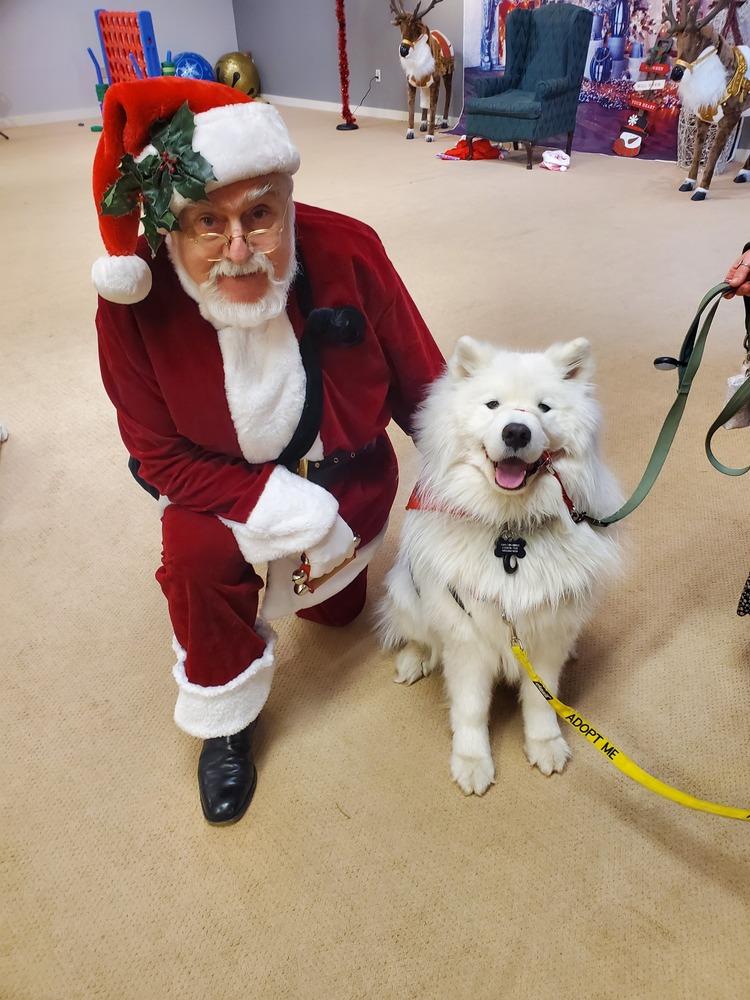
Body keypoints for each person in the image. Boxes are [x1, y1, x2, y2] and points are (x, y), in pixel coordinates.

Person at [92, 78, 445, 825]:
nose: (239, 249)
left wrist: (477, 481)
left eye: (260, 214)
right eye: (207, 222)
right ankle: (225, 720)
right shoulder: (132, 303)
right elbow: (157, 457)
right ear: (170, 224)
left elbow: (426, 386)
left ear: (288, 200)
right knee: (192, 553)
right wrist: (269, 501)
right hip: (218, 490)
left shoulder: (351, 249)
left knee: (338, 615)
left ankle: (327, 574)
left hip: (350, 485)